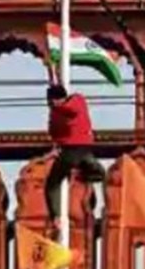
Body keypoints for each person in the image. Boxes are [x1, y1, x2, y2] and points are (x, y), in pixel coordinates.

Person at [45, 83, 106, 234]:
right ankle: (90, 172)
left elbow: (54, 131)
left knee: (52, 183)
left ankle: (56, 217)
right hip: (85, 146)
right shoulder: (79, 100)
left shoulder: (59, 110)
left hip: (70, 149)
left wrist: (55, 111)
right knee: (94, 170)